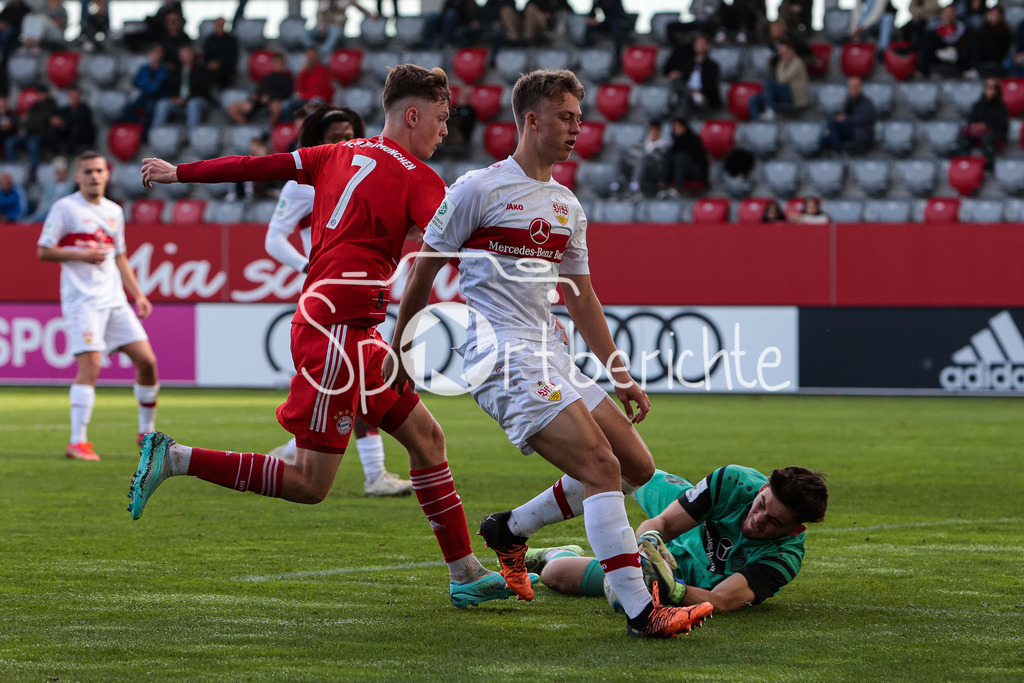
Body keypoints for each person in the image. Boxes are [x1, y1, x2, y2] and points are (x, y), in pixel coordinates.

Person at [130, 64, 518, 609]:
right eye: (441, 118)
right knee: (310, 484)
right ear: (412, 115)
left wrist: (180, 173)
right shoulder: (420, 178)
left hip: (343, 324)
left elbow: (256, 165)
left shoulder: (334, 153)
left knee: (428, 440)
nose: (445, 130)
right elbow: (457, 250)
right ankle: (175, 457)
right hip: (337, 330)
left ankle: (464, 572)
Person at [386, 68, 714, 638]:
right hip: (501, 354)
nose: (576, 128)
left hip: (550, 352)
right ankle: (642, 612)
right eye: (566, 117)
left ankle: (510, 530)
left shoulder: (567, 205)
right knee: (601, 467)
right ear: (531, 120)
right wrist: (401, 351)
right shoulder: (476, 189)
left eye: (579, 118)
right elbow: (423, 273)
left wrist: (620, 374)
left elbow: (581, 297)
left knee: (635, 467)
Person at [261, 103, 411, 497]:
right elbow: (273, 239)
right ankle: (372, 473)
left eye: (350, 135)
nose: (345, 142)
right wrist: (306, 265)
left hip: (362, 292)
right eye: (335, 138)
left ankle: (304, 452)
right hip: (329, 296)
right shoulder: (303, 183)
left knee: (355, 384)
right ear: (318, 142)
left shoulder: (369, 172)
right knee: (354, 382)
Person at [528, 465, 828, 614]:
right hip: (684, 516)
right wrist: (648, 542)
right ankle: (518, 526)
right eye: (761, 505)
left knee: (556, 574)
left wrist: (669, 589)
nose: (757, 519)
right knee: (623, 467)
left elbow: (722, 600)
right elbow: (665, 524)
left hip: (686, 577)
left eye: (773, 521)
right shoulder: (733, 481)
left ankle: (555, 553)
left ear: (794, 530)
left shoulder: (783, 559)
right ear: (762, 489)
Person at [36, 151, 159, 461]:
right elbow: (44, 251)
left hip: (114, 300)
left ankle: (146, 432)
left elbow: (120, 257)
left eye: (98, 171)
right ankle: (77, 442)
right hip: (82, 302)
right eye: (88, 171)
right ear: (78, 176)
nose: (94, 176)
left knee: (147, 362)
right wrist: (81, 255)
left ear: (107, 174)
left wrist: (138, 295)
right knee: (90, 366)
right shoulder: (65, 208)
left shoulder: (114, 211)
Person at [152, 45, 212, 131]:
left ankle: (192, 134)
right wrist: (174, 98)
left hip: (198, 101)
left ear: (192, 55)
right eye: (183, 54)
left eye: (187, 53)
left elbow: (203, 90)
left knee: (193, 104)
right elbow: (171, 88)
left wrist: (186, 99)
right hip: (179, 101)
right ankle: (156, 132)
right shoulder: (175, 72)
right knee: (163, 104)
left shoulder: (202, 71)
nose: (185, 56)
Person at [227, 51, 294, 127]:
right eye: (276, 62)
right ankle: (247, 127)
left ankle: (270, 129)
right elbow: (260, 89)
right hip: (260, 100)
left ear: (284, 63)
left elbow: (287, 93)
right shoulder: (268, 76)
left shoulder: (288, 78)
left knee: (276, 107)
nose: (278, 64)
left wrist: (270, 96)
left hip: (275, 100)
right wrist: (257, 96)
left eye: (280, 62)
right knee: (232, 108)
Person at [747, 37, 808, 121]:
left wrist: (781, 63)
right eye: (781, 51)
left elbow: (782, 79)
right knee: (754, 100)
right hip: (782, 94)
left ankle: (770, 111)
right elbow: (777, 78)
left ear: (792, 51)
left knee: (768, 83)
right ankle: (756, 122)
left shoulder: (797, 62)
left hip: (794, 96)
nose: (782, 53)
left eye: (784, 51)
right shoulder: (782, 62)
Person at [662, 34, 722, 119]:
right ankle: (690, 96)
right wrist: (675, 73)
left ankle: (683, 120)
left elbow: (710, 85)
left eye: (702, 43)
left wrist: (697, 92)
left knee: (687, 99)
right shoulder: (686, 62)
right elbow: (669, 71)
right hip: (688, 93)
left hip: (703, 97)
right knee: (677, 82)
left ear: (708, 46)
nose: (700, 45)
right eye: (698, 43)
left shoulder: (712, 66)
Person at [5, 87, 58, 178]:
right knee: (10, 142)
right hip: (28, 133)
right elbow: (26, 122)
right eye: (40, 93)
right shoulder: (34, 105)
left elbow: (41, 122)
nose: (41, 96)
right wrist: (30, 122)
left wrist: (30, 122)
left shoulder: (51, 106)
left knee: (32, 143)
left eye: (43, 93)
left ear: (48, 94)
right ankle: (12, 167)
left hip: (42, 134)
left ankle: (34, 169)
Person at [610, 118, 669, 198]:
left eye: (656, 130)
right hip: (636, 165)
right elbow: (632, 153)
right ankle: (615, 185)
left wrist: (640, 159)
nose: (653, 132)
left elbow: (657, 159)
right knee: (618, 157)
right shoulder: (642, 143)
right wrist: (634, 161)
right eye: (652, 129)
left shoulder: (664, 146)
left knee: (641, 157)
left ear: (659, 131)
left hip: (652, 170)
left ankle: (634, 186)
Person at [960, 77, 1008, 171]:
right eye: (988, 87)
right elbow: (971, 119)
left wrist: (986, 126)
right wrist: (975, 125)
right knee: (963, 136)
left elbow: (1002, 123)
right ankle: (966, 164)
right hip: (978, 131)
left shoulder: (1001, 106)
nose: (990, 90)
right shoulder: (978, 104)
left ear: (997, 90)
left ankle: (989, 165)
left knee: (987, 138)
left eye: (993, 87)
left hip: (996, 131)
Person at [820, 76, 876, 155]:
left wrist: (846, 119)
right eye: (850, 86)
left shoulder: (866, 103)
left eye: (854, 86)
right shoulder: (849, 101)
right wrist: (840, 116)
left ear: (861, 87)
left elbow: (862, 119)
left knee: (832, 124)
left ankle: (837, 149)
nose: (852, 89)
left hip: (860, 133)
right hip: (851, 130)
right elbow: (844, 114)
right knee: (824, 140)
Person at [122, 44, 170, 133]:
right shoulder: (143, 68)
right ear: (150, 54)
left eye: (160, 52)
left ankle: (146, 134)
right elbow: (137, 83)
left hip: (158, 97)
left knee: (150, 110)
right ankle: (137, 129)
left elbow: (156, 88)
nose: (157, 54)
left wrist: (147, 83)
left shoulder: (165, 69)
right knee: (127, 108)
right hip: (144, 97)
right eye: (155, 52)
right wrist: (151, 83)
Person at [919, 4, 973, 78]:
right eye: (946, 13)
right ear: (942, 15)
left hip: (957, 57)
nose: (948, 15)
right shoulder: (934, 31)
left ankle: (967, 70)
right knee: (926, 41)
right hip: (938, 55)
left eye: (951, 13)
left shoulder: (963, 29)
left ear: (955, 14)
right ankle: (925, 73)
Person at [659, 117, 708, 195]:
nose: (676, 129)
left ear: (684, 127)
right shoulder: (675, 141)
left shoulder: (694, 139)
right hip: (679, 170)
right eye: (674, 127)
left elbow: (697, 158)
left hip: (695, 171)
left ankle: (677, 187)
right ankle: (663, 183)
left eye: (678, 126)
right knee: (668, 154)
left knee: (680, 157)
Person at [23, 155, 75, 222]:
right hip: (49, 211)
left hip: (63, 212)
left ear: (66, 172)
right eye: (58, 172)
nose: (59, 175)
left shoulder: (72, 186)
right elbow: (44, 200)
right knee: (37, 217)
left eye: (61, 172)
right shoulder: (50, 185)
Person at [52, 85, 97, 157]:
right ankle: (55, 152)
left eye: (76, 96)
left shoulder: (85, 109)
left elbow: (82, 121)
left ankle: (69, 153)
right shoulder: (65, 109)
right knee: (55, 128)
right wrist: (58, 122)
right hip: (67, 134)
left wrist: (65, 121)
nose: (74, 98)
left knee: (75, 128)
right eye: (72, 96)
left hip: (82, 135)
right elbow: (59, 118)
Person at [971, 4, 1011, 76]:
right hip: (983, 60)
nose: (994, 17)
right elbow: (977, 49)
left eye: (996, 15)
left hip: (999, 61)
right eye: (992, 14)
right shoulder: (981, 31)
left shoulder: (1005, 32)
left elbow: (1004, 50)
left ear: (1001, 17)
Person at [201, 17, 238, 89]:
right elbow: (205, 56)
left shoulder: (231, 40)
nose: (220, 27)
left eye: (222, 25)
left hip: (225, 69)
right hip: (210, 69)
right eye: (218, 24)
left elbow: (233, 57)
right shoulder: (209, 40)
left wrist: (220, 63)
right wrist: (210, 64)